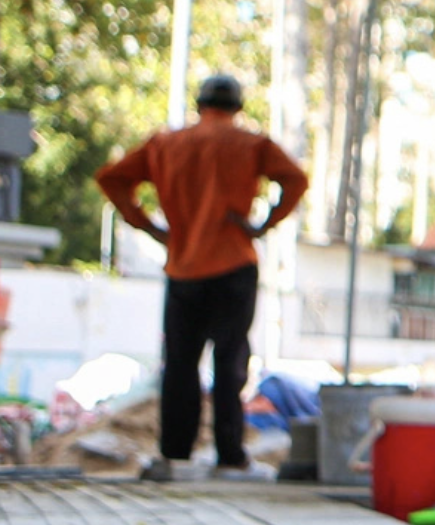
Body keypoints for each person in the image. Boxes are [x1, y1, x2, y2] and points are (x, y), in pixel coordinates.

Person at [95, 74, 309, 481]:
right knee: (229, 362)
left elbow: (111, 178)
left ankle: (175, 455)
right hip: (233, 265)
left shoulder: (165, 144)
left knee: (179, 363)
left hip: (184, 266)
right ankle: (230, 456)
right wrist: (264, 225)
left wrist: (148, 226)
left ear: (199, 105)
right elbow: (296, 180)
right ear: (237, 108)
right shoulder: (250, 143)